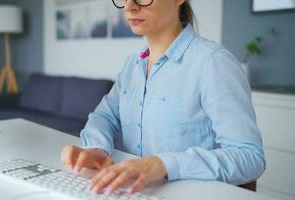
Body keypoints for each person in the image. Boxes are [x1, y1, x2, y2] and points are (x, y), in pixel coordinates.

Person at [60, 0, 266, 195]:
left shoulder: (213, 62)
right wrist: (98, 148)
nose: (129, 6)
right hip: (135, 192)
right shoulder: (132, 65)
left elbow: (249, 157)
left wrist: (162, 164)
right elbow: (103, 116)